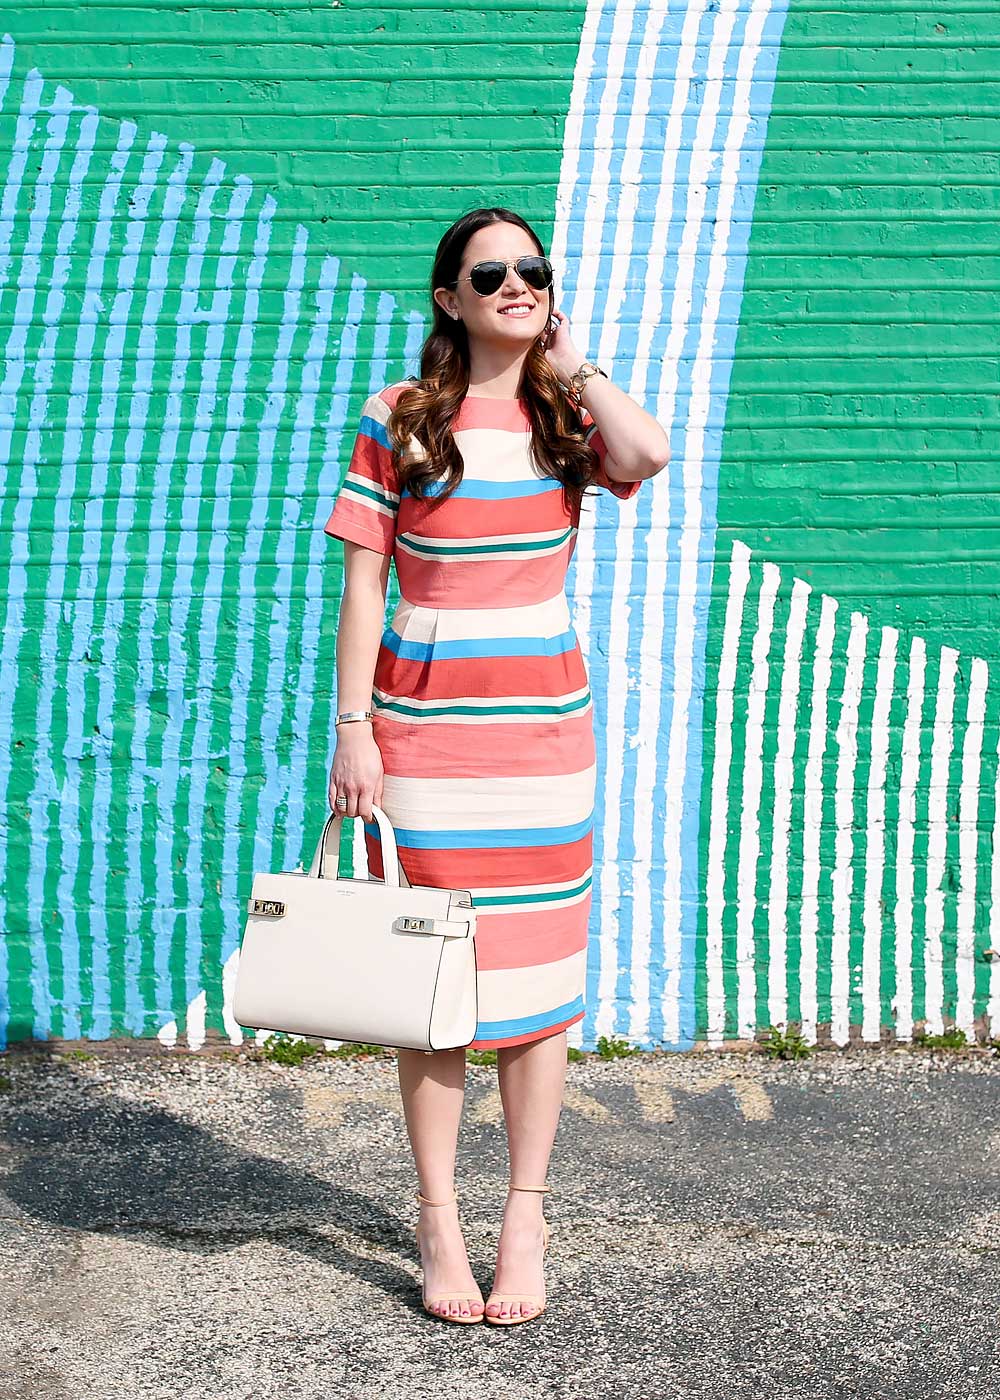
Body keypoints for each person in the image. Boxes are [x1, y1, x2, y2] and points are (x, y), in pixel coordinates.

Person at [323, 206, 671, 1326]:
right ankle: (440, 1220)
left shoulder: (567, 411)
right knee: (437, 992)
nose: (514, 283)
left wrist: (571, 356)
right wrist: (353, 728)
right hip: (425, 742)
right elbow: (366, 580)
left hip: (543, 744)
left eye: (532, 269)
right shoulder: (401, 416)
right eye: (491, 272)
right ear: (448, 296)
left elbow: (648, 453)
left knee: (533, 994)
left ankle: (525, 1213)